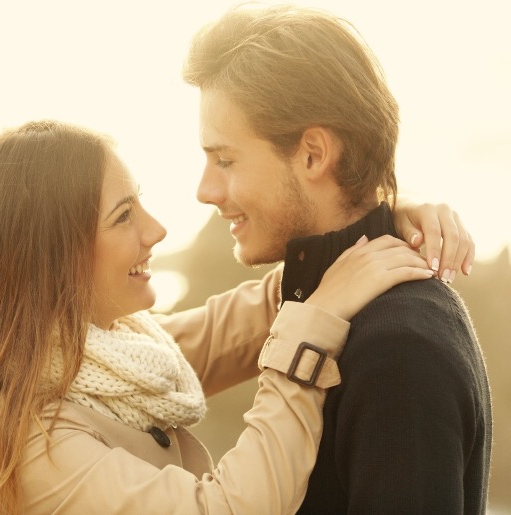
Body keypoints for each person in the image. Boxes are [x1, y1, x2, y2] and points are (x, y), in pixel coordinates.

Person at [0, 119, 475, 514]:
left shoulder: (104, 358)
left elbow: (235, 325)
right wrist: (314, 326)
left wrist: (372, 225)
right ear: (45, 255)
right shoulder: (6, 430)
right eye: (124, 216)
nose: (156, 229)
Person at [182, 4, 492, 513]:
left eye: (225, 159)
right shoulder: (324, 307)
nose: (205, 189)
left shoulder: (399, 347)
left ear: (312, 155)